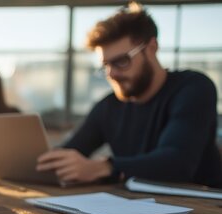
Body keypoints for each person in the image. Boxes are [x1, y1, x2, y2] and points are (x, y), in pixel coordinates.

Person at [37, 2, 222, 188]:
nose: (112, 74)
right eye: (106, 65)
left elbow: (177, 162)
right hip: (133, 207)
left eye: (121, 61)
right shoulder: (108, 106)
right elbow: (71, 150)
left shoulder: (193, 88)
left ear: (151, 48)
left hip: (201, 207)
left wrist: (104, 167)